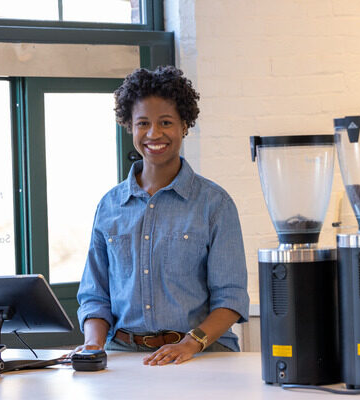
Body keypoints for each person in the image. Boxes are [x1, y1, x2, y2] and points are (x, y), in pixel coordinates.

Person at [75, 66, 249, 365]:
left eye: (166, 122)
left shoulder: (215, 204)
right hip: (124, 357)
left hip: (202, 356)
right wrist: (92, 345)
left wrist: (190, 344)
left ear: (184, 125)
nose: (154, 133)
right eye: (143, 123)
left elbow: (231, 299)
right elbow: (95, 297)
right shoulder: (110, 205)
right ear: (129, 126)